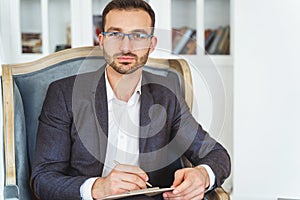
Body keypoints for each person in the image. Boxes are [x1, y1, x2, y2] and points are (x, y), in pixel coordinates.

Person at [31, 0, 231, 199]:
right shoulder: (64, 94)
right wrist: (98, 188)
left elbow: (216, 154)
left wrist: (202, 175)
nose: (126, 47)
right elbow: (43, 179)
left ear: (151, 44)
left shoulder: (166, 93)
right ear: (101, 40)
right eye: (115, 34)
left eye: (138, 35)